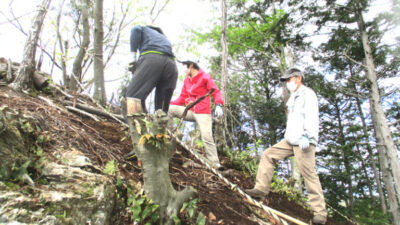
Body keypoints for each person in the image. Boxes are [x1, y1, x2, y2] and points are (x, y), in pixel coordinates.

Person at [245, 68, 328, 224]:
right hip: (290, 140)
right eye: (286, 81)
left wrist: (308, 136)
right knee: (268, 155)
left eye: (289, 80)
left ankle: (320, 213)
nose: (287, 83)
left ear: (298, 78)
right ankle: (261, 189)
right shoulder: (293, 97)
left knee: (308, 173)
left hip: (304, 141)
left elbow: (312, 117)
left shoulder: (307, 94)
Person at [169, 60, 224, 169]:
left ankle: (215, 163)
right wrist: (168, 102)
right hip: (190, 111)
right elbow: (182, 98)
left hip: (203, 113)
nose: (183, 69)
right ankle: (169, 134)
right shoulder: (186, 80)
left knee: (207, 137)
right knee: (169, 109)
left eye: (185, 66)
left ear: (191, 65)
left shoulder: (205, 77)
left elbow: (215, 91)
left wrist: (219, 104)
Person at [126, 25, 178, 113]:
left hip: (153, 59)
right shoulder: (164, 39)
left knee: (132, 99)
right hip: (172, 65)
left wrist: (133, 59)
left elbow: (135, 29)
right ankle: (158, 126)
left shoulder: (144, 29)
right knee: (161, 109)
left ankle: (134, 126)